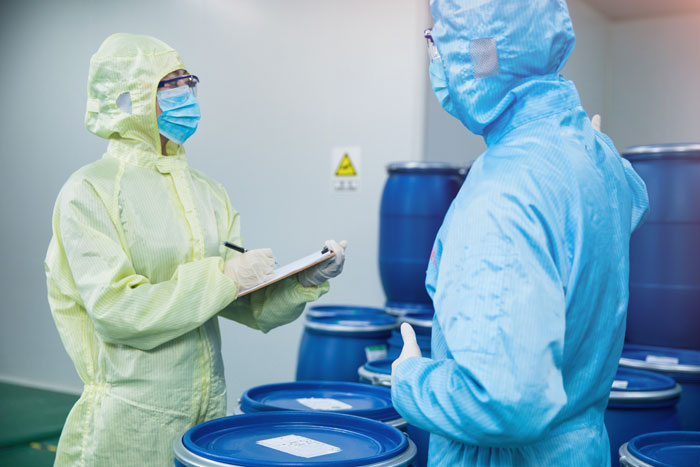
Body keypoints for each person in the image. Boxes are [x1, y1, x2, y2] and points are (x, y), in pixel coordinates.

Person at [44, 33, 345, 466]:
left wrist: (301, 281)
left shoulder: (207, 192)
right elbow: (117, 310)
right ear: (129, 99)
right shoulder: (90, 191)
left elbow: (246, 306)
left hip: (205, 416)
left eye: (189, 82)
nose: (186, 94)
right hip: (130, 423)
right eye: (171, 84)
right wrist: (223, 276)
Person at [390, 1, 649, 465]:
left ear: (478, 53)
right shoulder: (594, 155)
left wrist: (411, 379)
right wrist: (591, 153)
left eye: (438, 40)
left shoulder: (500, 197)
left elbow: (503, 403)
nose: (434, 57)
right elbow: (628, 199)